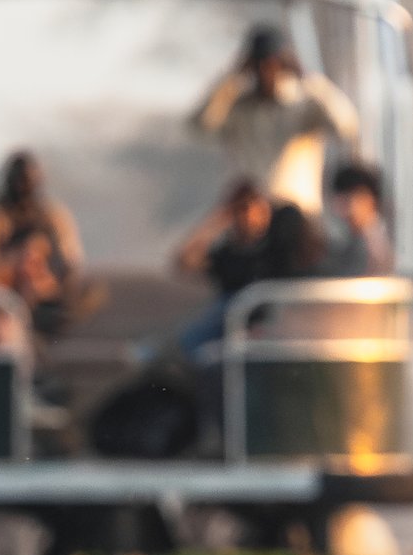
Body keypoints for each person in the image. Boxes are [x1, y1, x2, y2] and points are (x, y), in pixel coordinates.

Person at [187, 25, 359, 214]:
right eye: (258, 65)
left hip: (296, 216)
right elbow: (199, 127)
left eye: (271, 64)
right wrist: (231, 79)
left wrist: (310, 80)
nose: (265, 72)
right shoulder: (239, 108)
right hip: (249, 217)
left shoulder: (303, 105)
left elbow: (346, 125)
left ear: (284, 64)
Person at [169, 178, 319, 358]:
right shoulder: (229, 254)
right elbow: (184, 262)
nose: (250, 215)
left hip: (276, 321)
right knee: (192, 333)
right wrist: (216, 222)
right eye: (242, 209)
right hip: (233, 326)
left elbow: (307, 238)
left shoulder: (281, 239)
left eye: (256, 206)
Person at [0, 151, 83, 279]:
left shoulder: (53, 216)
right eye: (19, 182)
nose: (22, 188)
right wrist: (15, 260)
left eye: (27, 182)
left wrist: (42, 259)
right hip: (3, 286)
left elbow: (70, 257)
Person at [321, 163, 395, 277]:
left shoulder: (372, 242)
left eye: (348, 199)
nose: (342, 208)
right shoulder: (358, 238)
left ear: (370, 198)